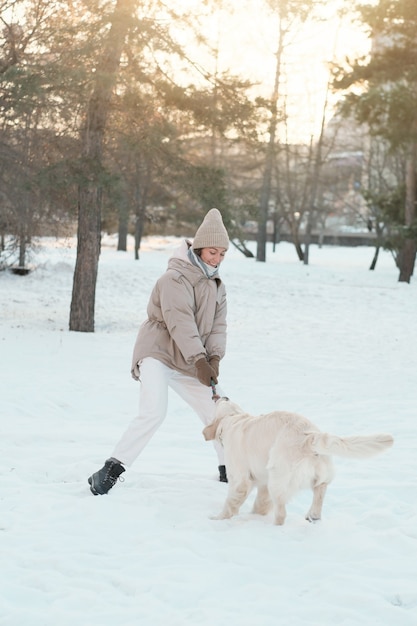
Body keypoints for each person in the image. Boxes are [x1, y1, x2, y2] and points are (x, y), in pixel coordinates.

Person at [88, 208, 230, 495]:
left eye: (222, 254)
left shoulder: (216, 285)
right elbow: (180, 322)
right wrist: (201, 360)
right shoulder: (173, 279)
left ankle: (231, 468)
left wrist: (214, 357)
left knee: (218, 411)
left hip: (191, 358)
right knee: (153, 411)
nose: (216, 259)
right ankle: (109, 470)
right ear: (200, 248)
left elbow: (218, 326)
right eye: (212, 252)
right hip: (159, 352)